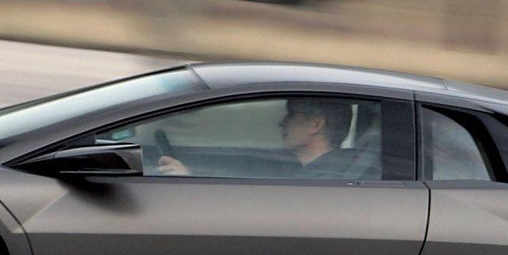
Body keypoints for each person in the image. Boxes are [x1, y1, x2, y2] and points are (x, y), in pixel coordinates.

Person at [156, 97, 364, 178]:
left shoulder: (324, 181)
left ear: (315, 124)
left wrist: (190, 183)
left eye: (291, 115)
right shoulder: (316, 172)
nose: (282, 123)